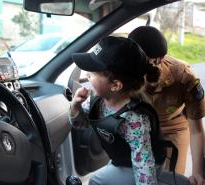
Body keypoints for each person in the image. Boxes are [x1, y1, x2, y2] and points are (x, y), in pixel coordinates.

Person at [69, 36, 169, 185]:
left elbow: (143, 165)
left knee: (96, 181)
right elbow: (80, 125)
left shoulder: (134, 120)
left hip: (144, 164)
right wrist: (75, 106)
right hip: (122, 159)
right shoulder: (97, 99)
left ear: (115, 85)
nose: (86, 75)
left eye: (93, 73)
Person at [128, 26, 205, 185]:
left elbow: (196, 130)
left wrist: (198, 172)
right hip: (136, 127)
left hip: (172, 126)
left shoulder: (184, 76)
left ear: (158, 59)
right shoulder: (121, 71)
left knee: (171, 179)